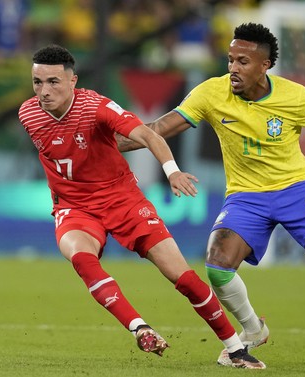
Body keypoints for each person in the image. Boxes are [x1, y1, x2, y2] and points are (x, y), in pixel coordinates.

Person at [116, 23, 305, 370]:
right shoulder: (211, 93)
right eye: (230, 59)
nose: (233, 68)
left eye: (243, 62)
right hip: (246, 195)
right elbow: (156, 129)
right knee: (217, 265)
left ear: (265, 66)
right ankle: (252, 329)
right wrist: (103, 145)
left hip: (296, 187)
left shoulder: (296, 97)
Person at [17, 44, 265, 369]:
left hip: (123, 201)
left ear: (73, 81)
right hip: (74, 207)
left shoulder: (97, 107)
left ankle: (235, 349)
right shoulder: (28, 113)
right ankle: (140, 328)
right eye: (37, 82)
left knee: (183, 278)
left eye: (53, 82)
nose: (44, 91)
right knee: (81, 257)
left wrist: (172, 172)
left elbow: (149, 136)